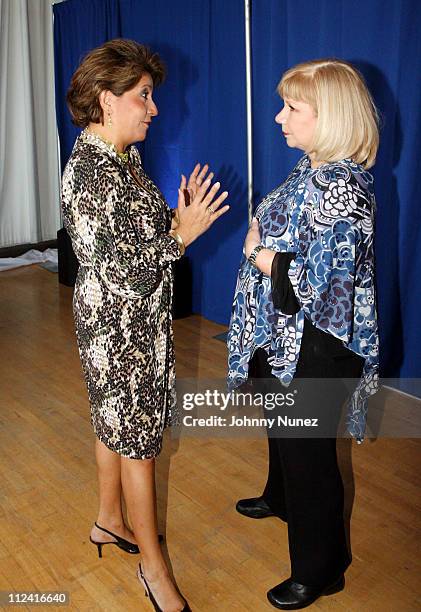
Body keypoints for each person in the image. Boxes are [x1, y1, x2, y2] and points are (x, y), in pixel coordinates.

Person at [62, 38, 229, 612]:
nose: (153, 108)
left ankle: (109, 521)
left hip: (134, 324)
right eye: (144, 96)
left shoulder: (121, 157)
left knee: (116, 427)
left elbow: (141, 237)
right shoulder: (89, 174)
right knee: (139, 445)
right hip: (118, 330)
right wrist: (183, 233)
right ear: (108, 101)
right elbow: (129, 272)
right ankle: (154, 570)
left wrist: (173, 216)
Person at [227, 58, 379, 610]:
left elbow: (328, 286)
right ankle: (280, 496)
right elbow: (284, 223)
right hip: (284, 332)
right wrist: (262, 231)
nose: (277, 118)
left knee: (310, 454)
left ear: (331, 116)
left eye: (292, 108)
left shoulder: (344, 189)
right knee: (282, 429)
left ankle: (321, 568)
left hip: (319, 343)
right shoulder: (311, 169)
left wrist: (263, 256)